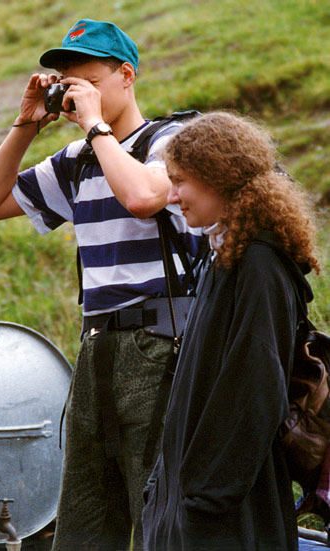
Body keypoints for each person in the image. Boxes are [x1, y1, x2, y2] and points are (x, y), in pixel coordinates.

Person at [0, 19, 203, 551]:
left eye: (87, 81)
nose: (75, 94)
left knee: (156, 504)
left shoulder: (171, 140)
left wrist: (96, 128)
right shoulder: (75, 162)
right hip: (97, 345)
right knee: (85, 509)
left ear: (126, 76)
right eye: (65, 83)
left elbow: (144, 197)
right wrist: (26, 124)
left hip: (162, 344)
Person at [142, 111, 321, 551]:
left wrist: (204, 498)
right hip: (194, 506)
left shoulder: (259, 264)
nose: (174, 195)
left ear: (218, 175)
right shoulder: (223, 257)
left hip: (225, 517)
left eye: (181, 180)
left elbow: (254, 389)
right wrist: (161, 490)